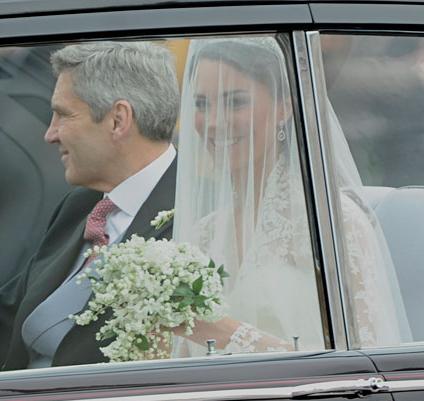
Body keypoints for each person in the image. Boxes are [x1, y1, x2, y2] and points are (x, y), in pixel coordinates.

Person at [172, 36, 410, 357]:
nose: (214, 122)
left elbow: (366, 362)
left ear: (284, 107)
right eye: (201, 105)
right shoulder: (204, 232)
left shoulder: (332, 223)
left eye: (235, 102)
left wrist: (229, 334)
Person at [0, 41, 180, 372]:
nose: (50, 134)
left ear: (117, 120)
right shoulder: (82, 206)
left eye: (63, 115)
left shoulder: (194, 218)